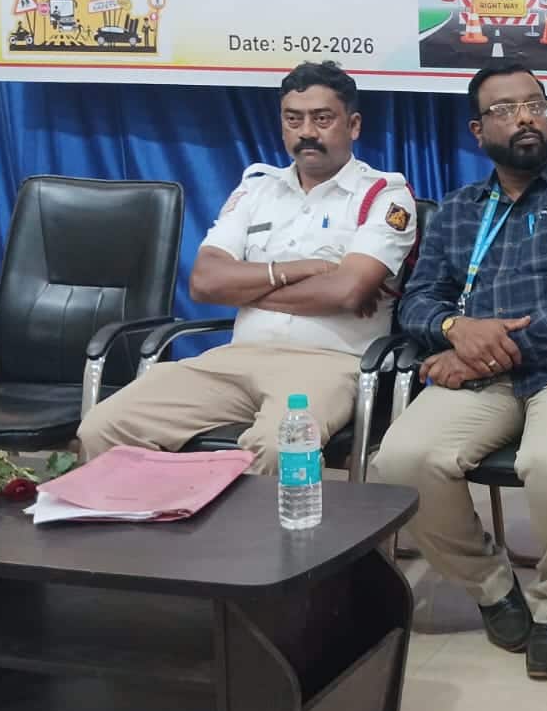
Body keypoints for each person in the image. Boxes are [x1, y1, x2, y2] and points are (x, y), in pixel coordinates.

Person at [371, 65, 547, 681]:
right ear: (478, 130)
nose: (525, 117)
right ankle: (494, 589)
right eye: (504, 109)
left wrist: (489, 348)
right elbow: (417, 301)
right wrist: (453, 328)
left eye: (535, 105)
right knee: (401, 461)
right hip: (483, 377)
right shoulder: (457, 210)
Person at [78, 61, 417, 471]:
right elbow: (205, 282)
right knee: (104, 426)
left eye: (322, 119)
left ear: (354, 125)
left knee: (279, 446)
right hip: (235, 359)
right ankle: (144, 516)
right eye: (293, 119)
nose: (307, 132)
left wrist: (247, 291)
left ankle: (265, 519)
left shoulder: (384, 195)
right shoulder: (258, 188)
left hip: (328, 364)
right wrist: (299, 269)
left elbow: (347, 291)